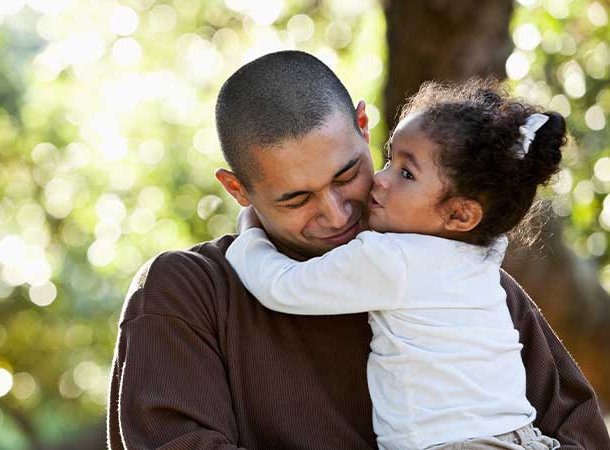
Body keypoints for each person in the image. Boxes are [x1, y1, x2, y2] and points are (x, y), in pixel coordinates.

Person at [106, 51, 610, 450]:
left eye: (348, 174)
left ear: (366, 129)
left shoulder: (458, 272)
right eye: (297, 199)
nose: (338, 213)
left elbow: (581, 433)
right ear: (238, 191)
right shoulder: (186, 293)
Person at [225, 79, 564, 450]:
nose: (381, 180)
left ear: (461, 214)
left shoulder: (389, 259)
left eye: (406, 174)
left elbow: (282, 287)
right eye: (389, 160)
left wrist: (249, 235)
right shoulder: (482, 257)